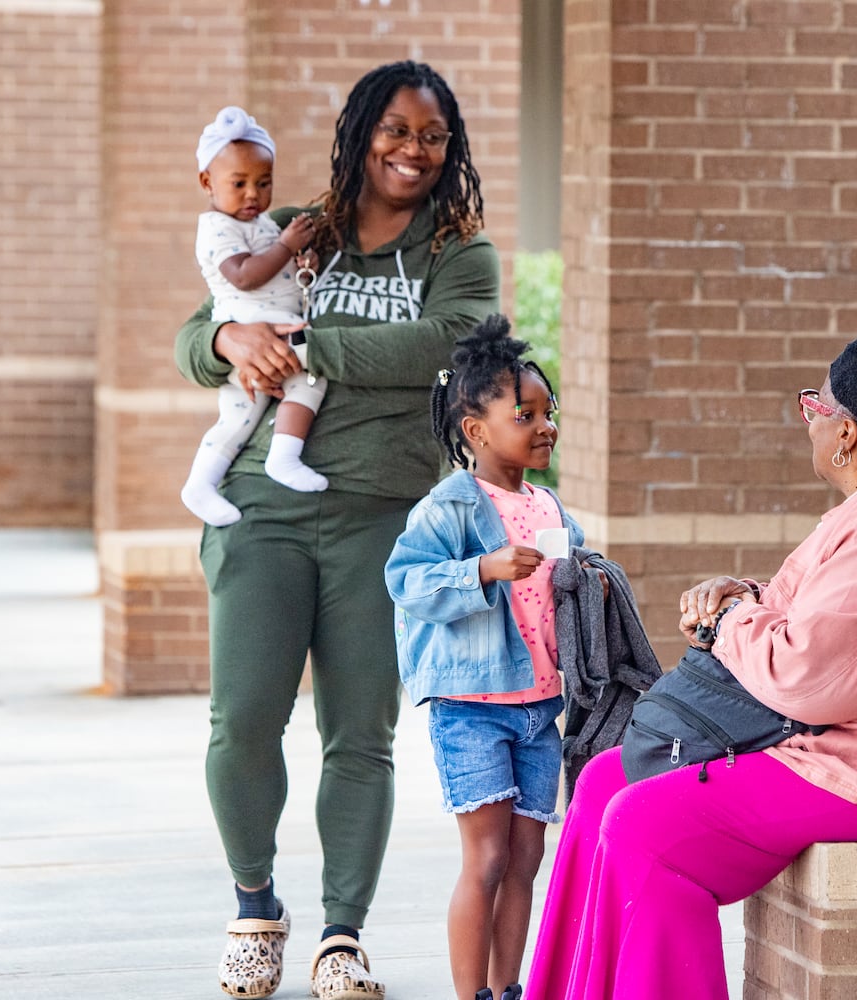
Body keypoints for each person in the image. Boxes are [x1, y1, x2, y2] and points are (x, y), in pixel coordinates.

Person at [524, 329, 857, 1000]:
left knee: (645, 829)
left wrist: (729, 621)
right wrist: (745, 597)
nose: (808, 420)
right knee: (603, 781)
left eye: (813, 406)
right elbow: (819, 620)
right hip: (855, 744)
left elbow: (808, 680)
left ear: (845, 432)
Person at [173, 61, 501, 1000]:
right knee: (243, 720)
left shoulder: (459, 251)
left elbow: (447, 345)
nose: (412, 149)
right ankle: (254, 907)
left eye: (432, 135)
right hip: (261, 506)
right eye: (395, 129)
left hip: (382, 519)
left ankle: (341, 936)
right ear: (360, 133)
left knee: (360, 732)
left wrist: (309, 347)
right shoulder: (293, 227)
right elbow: (198, 332)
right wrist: (228, 341)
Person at [385, 315, 579, 1000]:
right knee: (488, 856)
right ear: (476, 430)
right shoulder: (451, 508)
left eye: (549, 413)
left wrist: (590, 581)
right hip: (472, 710)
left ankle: (507, 988)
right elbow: (406, 581)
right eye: (525, 416)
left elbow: (573, 580)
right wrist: (482, 569)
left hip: (540, 708)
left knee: (526, 857)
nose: (544, 426)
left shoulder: (550, 506)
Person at [183, 105, 329, 527]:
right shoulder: (216, 228)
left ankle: (283, 455)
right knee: (239, 418)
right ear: (207, 183)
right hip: (251, 332)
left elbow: (278, 269)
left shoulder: (262, 223)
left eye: (263, 183)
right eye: (239, 183)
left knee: (306, 382)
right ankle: (200, 484)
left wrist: (303, 262)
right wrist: (285, 245)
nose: (253, 194)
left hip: (278, 327)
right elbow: (245, 275)